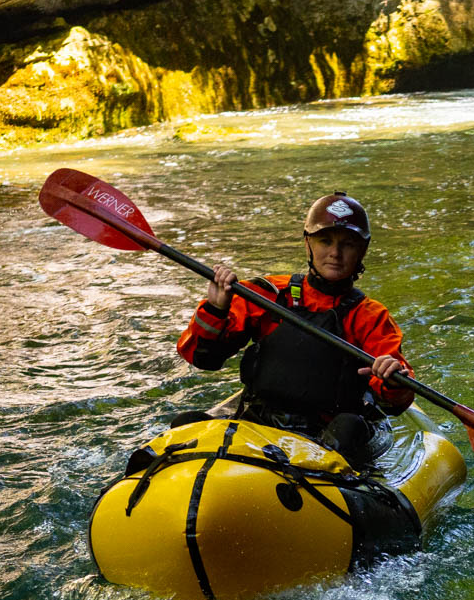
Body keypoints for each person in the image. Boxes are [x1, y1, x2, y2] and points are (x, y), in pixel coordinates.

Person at [173, 192, 414, 467]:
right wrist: (216, 309)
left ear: (362, 251)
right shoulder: (269, 294)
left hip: (329, 431)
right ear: (308, 243)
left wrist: (392, 380)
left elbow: (394, 403)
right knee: (186, 423)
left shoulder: (370, 316)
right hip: (261, 421)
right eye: (325, 241)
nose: (335, 253)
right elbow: (204, 358)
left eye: (347, 244)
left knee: (348, 428)